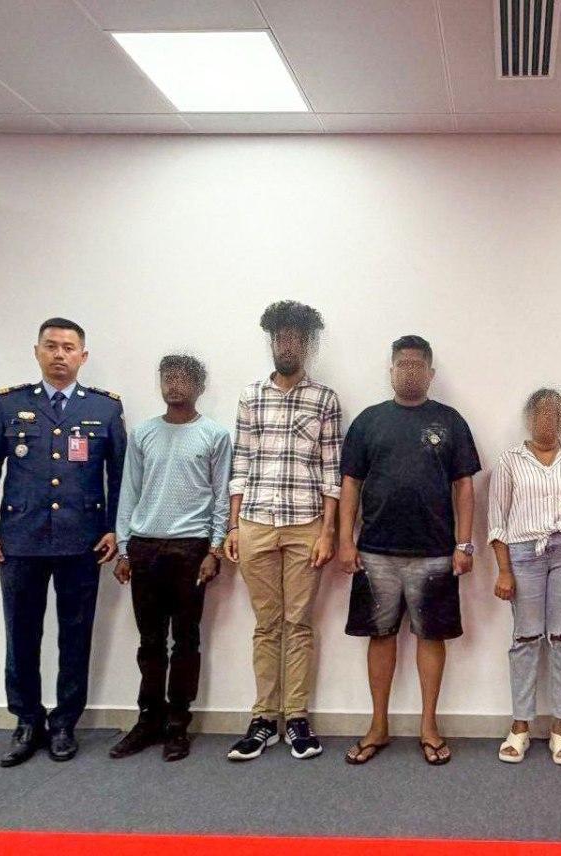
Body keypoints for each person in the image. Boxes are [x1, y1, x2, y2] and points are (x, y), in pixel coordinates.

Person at [0, 317, 126, 766]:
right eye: (51, 346)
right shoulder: (9, 404)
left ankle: (63, 724)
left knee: (76, 635)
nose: (60, 354)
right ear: (37, 351)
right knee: (21, 634)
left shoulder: (105, 408)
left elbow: (120, 476)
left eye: (69, 347)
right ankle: (27, 721)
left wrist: (115, 528)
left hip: (83, 541)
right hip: (20, 540)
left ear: (83, 356)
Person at [339, 335, 481, 766]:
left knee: (430, 637)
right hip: (375, 550)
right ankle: (378, 726)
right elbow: (350, 484)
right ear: (391, 371)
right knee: (379, 637)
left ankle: (429, 726)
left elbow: (464, 487)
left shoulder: (450, 421)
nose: (410, 371)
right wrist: (345, 540)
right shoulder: (368, 421)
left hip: (436, 552)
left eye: (418, 364)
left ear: (430, 373)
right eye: (402, 364)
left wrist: (464, 543)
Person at [223, 301, 342, 762]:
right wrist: (233, 525)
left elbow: (332, 472)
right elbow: (240, 463)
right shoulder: (250, 395)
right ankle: (262, 720)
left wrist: (329, 532)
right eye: (280, 337)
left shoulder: (325, 399)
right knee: (266, 625)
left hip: (305, 524)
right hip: (255, 522)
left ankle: (296, 718)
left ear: (307, 343)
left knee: (299, 624)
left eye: (295, 337)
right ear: (271, 341)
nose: (287, 345)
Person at [109, 355, 232, 762]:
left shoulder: (214, 435)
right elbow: (129, 493)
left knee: (186, 640)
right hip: (145, 548)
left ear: (199, 386)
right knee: (149, 641)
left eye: (183, 378)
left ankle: (178, 723)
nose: (174, 385)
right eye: (168, 377)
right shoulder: (143, 434)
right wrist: (124, 548)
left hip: (190, 550)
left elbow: (221, 497)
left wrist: (214, 549)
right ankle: (148, 720)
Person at [488, 388, 561, 765]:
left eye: (554, 414)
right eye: (541, 414)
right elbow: (497, 522)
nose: (547, 421)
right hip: (524, 554)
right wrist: (504, 570)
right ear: (529, 418)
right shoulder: (510, 461)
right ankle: (520, 726)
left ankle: (560, 728)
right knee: (525, 637)